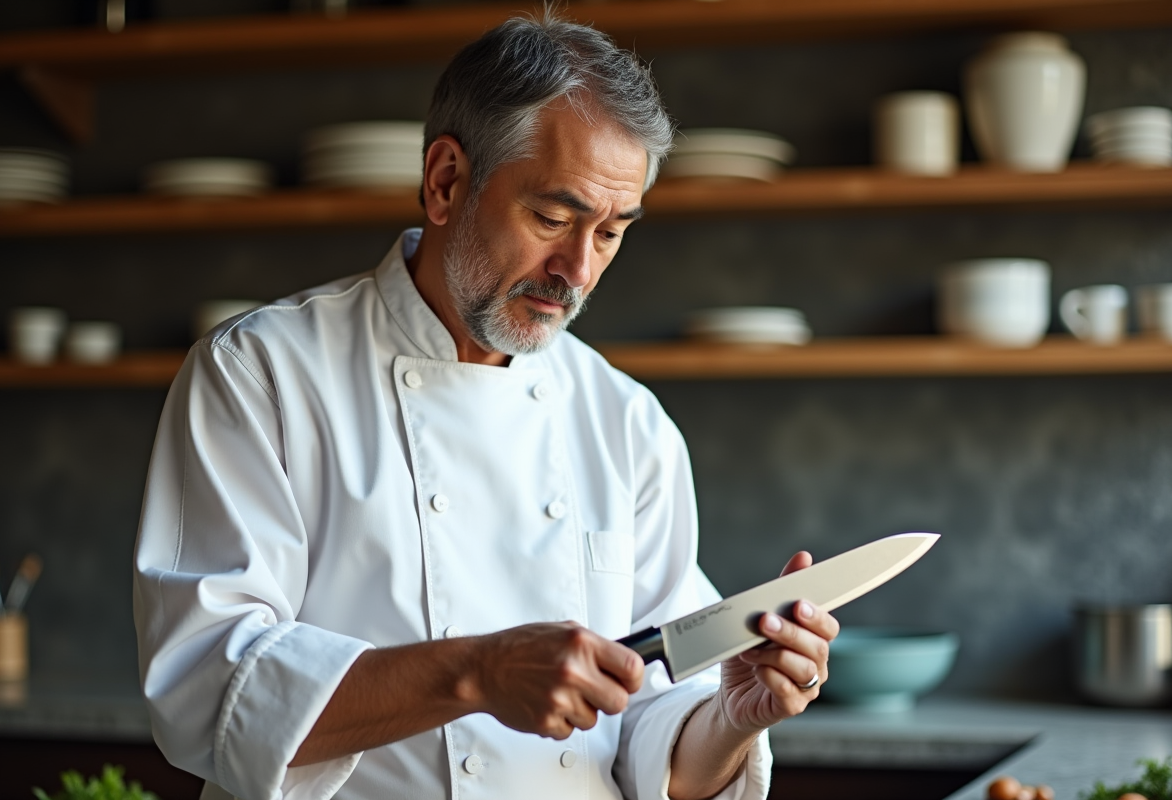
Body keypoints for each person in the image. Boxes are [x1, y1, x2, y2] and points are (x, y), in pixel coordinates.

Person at [133, 13, 837, 800]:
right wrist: (477, 671)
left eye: (610, 232)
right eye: (553, 216)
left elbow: (655, 738)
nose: (577, 270)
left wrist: (733, 720)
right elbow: (206, 691)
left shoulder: (627, 423)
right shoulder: (261, 375)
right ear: (445, 181)